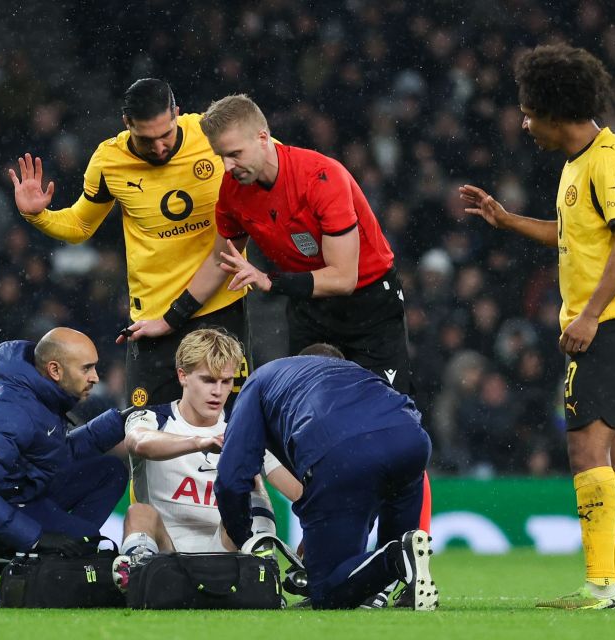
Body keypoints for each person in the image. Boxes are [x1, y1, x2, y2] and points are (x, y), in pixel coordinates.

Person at [459, 44, 615, 610]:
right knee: (608, 456)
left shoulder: (609, 159)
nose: (524, 123)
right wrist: (506, 218)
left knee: (586, 451)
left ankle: (600, 587)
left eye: (528, 111)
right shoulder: (577, 165)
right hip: (612, 319)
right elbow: (575, 236)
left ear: (554, 108)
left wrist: (590, 314)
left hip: (609, 320)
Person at [128, 93, 412, 395]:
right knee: (305, 413)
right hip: (308, 308)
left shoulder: (321, 178)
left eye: (235, 153)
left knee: (385, 411)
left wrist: (269, 280)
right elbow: (219, 261)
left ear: (263, 137)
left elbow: (343, 278)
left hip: (369, 304)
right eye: (220, 156)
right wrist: (170, 319)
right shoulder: (232, 193)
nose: (227, 166)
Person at [7, 79, 251, 409]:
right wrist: (39, 216)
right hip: (153, 319)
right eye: (147, 139)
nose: (160, 147)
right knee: (146, 431)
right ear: (127, 124)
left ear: (177, 114)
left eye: (166, 134)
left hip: (221, 308)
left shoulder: (213, 134)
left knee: (231, 431)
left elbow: (273, 161)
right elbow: (81, 225)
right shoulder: (110, 161)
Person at [213, 346, 436, 610]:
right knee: (399, 546)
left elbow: (232, 476)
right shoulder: (355, 372)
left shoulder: (261, 380)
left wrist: (242, 538)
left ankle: (396, 559)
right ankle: (403, 568)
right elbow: (372, 459)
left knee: (328, 592)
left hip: (341, 453)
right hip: (411, 437)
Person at [0, 328, 129, 607]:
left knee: (109, 472)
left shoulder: (40, 395)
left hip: (17, 493)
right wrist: (36, 538)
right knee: (86, 549)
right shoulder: (11, 407)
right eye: (87, 368)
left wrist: (120, 423)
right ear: (55, 370)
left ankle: (47, 557)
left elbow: (57, 456)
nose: (95, 377)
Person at [111, 328, 302, 589]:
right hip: (167, 553)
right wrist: (199, 443)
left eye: (226, 381)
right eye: (208, 380)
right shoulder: (152, 418)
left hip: (225, 552)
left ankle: (263, 569)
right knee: (139, 512)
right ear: (183, 376)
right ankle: (138, 573)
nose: (218, 392)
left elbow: (296, 492)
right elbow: (138, 443)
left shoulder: (244, 428)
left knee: (253, 488)